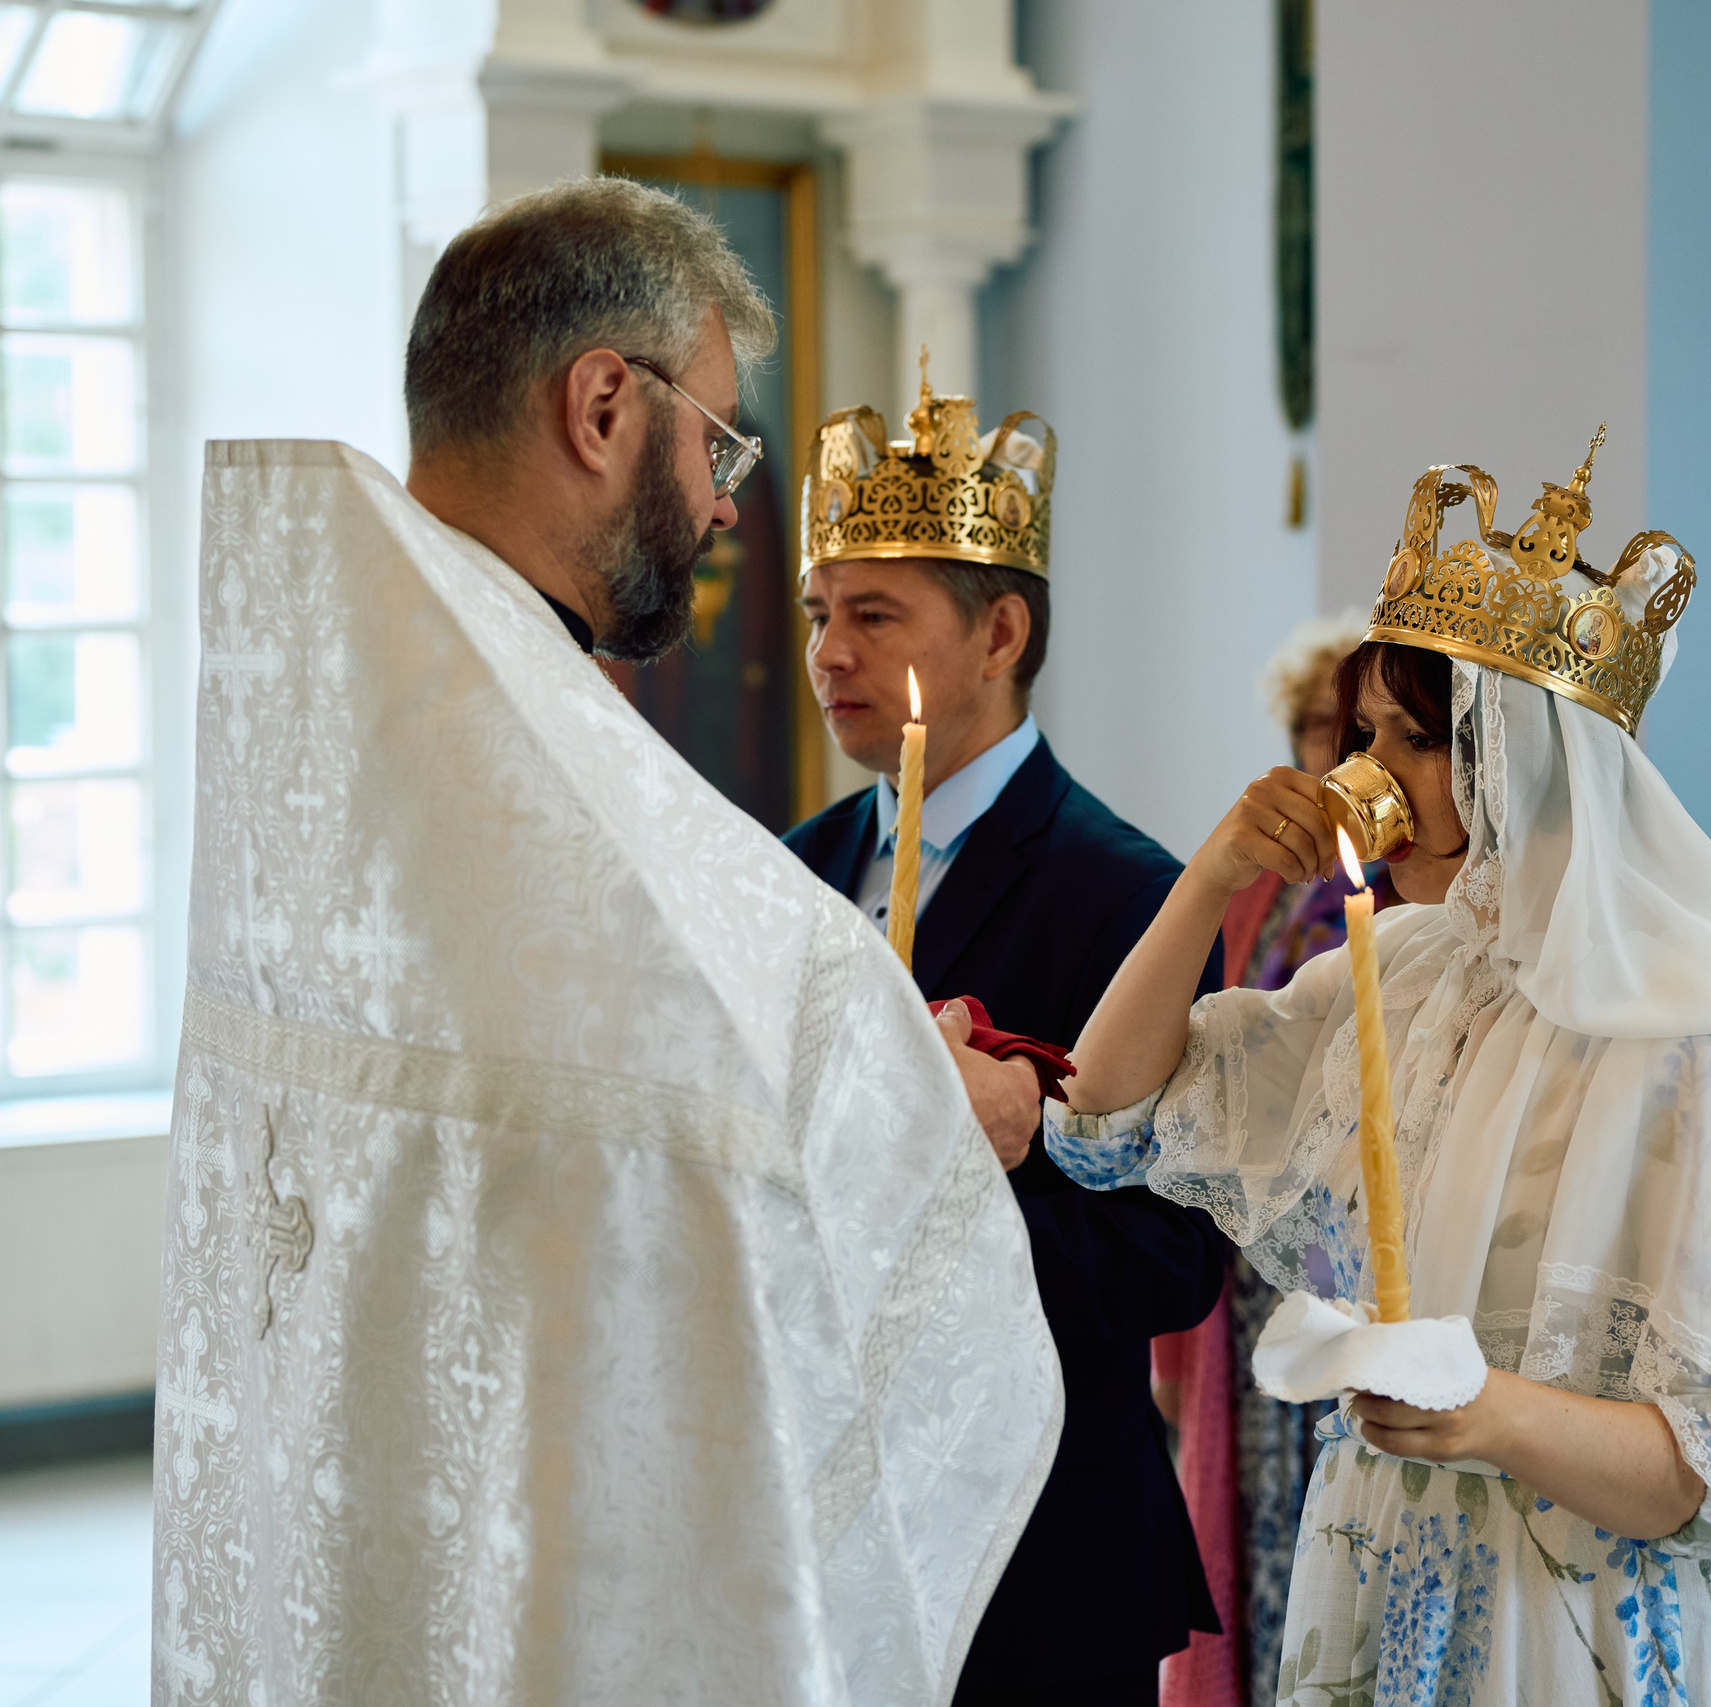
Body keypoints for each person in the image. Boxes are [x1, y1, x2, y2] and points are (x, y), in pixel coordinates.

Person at [151, 180, 1064, 1704]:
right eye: (717, 439)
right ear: (599, 403)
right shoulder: (548, 784)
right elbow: (712, 1133)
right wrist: (938, 1109)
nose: (723, 502)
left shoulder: (347, 708)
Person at [1046, 447, 1711, 1703]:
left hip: (1576, 1624)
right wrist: (1211, 878)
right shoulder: (1406, 972)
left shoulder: (1700, 1051)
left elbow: (1708, 1474)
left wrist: (1487, 1414)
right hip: (1386, 1566)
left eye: (1418, 741)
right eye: (1364, 737)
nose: (1371, 780)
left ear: (1527, 759)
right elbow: (1104, 1119)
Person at [784, 369, 1229, 1706]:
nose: (828, 653)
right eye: (818, 613)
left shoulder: (1123, 892)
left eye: (872, 613)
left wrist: (942, 1180)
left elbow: (1170, 1256)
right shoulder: (789, 871)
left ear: (999, 632)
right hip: (816, 1519)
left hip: (1036, 1531)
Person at [1155, 611, 1398, 1707]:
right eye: (1313, 731)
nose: (1330, 759)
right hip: (1256, 1278)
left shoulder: (1416, 892)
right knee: (1252, 1523)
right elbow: (1188, 1070)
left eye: (1356, 733)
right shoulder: (1257, 889)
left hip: (1372, 1269)